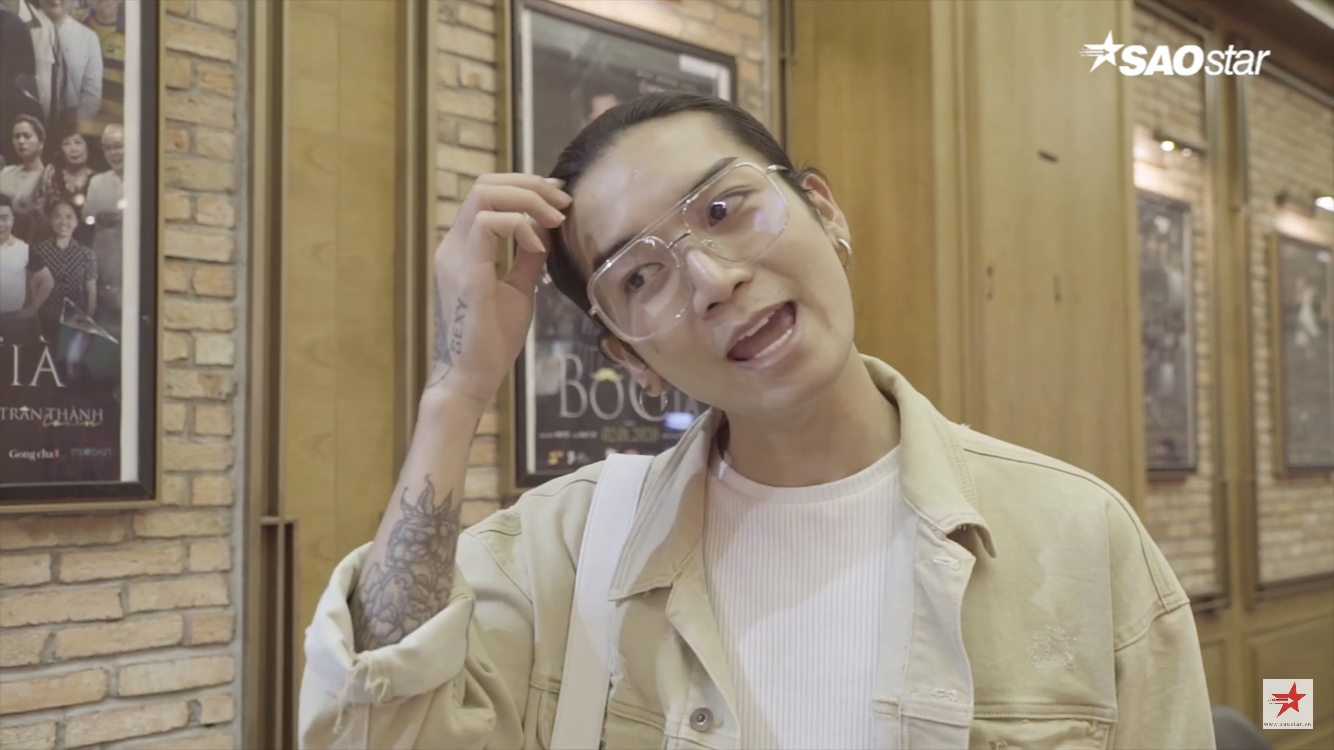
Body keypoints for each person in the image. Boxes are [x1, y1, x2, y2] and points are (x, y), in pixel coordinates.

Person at [299, 93, 1215, 749]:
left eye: (725, 210)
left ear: (824, 211)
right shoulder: (565, 557)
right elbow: (374, 729)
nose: (712, 279)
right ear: (631, 358)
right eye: (641, 276)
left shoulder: (1074, 537)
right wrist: (456, 390)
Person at [32, 198, 94, 378]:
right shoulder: (39, 251)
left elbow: (91, 291)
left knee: (72, 372)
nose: (63, 222)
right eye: (57, 216)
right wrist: (35, 317)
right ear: (50, 220)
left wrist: (88, 322)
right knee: (46, 370)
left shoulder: (87, 254)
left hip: (76, 321)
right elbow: (33, 286)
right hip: (47, 318)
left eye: (69, 217)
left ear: (76, 221)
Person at [39, 0, 101, 152]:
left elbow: (92, 92)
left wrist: (76, 131)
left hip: (72, 126)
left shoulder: (88, 37)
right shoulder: (23, 29)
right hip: (33, 124)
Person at [0, 193, 52, 343]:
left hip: (12, 321)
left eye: (4, 218)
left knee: (11, 356)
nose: (0, 224)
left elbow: (47, 281)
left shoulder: (23, 249)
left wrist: (32, 310)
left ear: (12, 220)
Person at [0, 115, 47, 239]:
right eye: (16, 136)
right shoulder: (5, 172)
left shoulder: (46, 178)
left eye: (27, 136)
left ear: (41, 143)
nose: (21, 141)